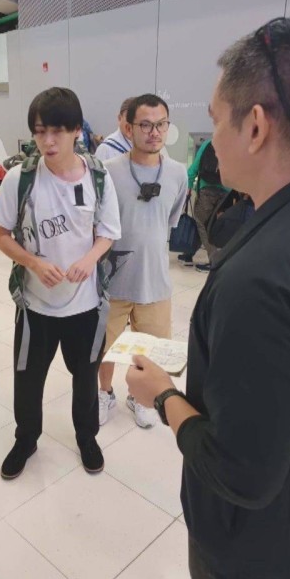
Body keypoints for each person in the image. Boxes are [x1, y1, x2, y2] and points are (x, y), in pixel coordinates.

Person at [125, 16, 290, 579]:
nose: (209, 140)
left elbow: (243, 474)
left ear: (255, 126)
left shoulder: (261, 279)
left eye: (214, 120)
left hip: (257, 560)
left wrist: (163, 396)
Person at [0, 87, 121, 479]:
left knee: (85, 378)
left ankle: (87, 437)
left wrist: (89, 259)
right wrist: (33, 262)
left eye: (57, 131)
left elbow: (108, 232)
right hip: (35, 306)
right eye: (39, 131)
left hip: (85, 304)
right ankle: (26, 439)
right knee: (28, 379)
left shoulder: (98, 176)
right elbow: (1, 236)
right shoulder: (21, 178)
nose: (47, 141)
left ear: (77, 130)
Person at [96, 93, 188, 428]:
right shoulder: (108, 172)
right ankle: (104, 393)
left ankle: (139, 397)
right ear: (129, 127)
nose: (154, 132)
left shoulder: (178, 173)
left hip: (155, 281)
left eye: (161, 124)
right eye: (145, 125)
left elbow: (169, 221)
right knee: (104, 348)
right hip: (112, 280)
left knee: (150, 349)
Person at [186, 138, 231, 271]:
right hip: (227, 193)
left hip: (207, 190)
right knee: (217, 225)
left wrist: (188, 185)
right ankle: (189, 254)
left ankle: (214, 260)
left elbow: (194, 168)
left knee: (201, 222)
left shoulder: (208, 143)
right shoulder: (234, 143)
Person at [93, 97, 136, 162]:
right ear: (119, 118)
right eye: (129, 118)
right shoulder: (106, 149)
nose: (132, 123)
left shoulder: (145, 146)